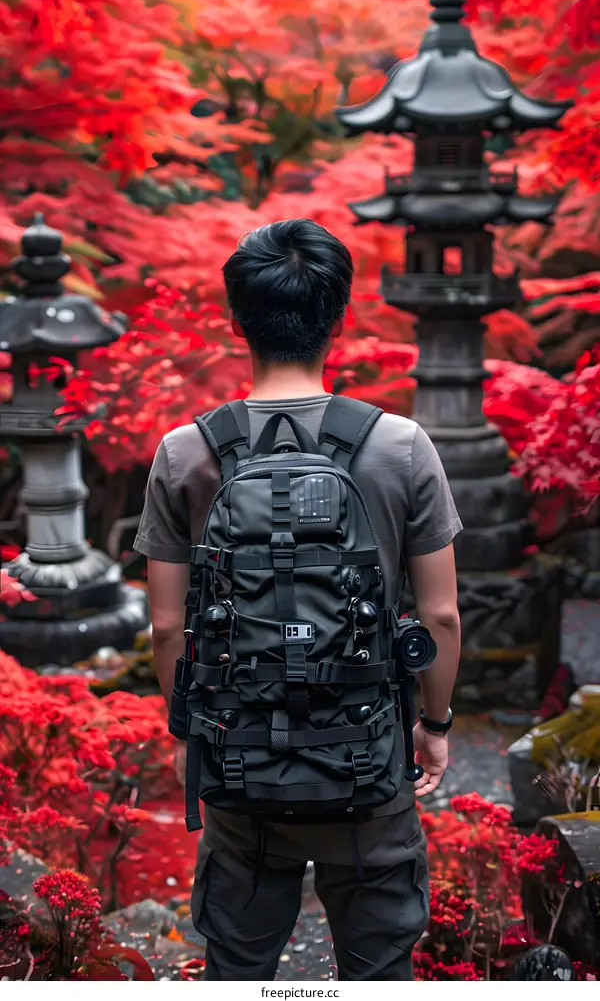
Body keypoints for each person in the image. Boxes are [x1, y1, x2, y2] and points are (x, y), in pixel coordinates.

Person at [134, 219, 462, 981]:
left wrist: (192, 730)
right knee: (378, 970)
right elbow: (441, 615)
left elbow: (163, 624)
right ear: (338, 317)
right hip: (369, 759)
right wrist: (436, 723)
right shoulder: (402, 444)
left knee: (238, 968)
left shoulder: (186, 450)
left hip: (240, 762)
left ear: (237, 318)